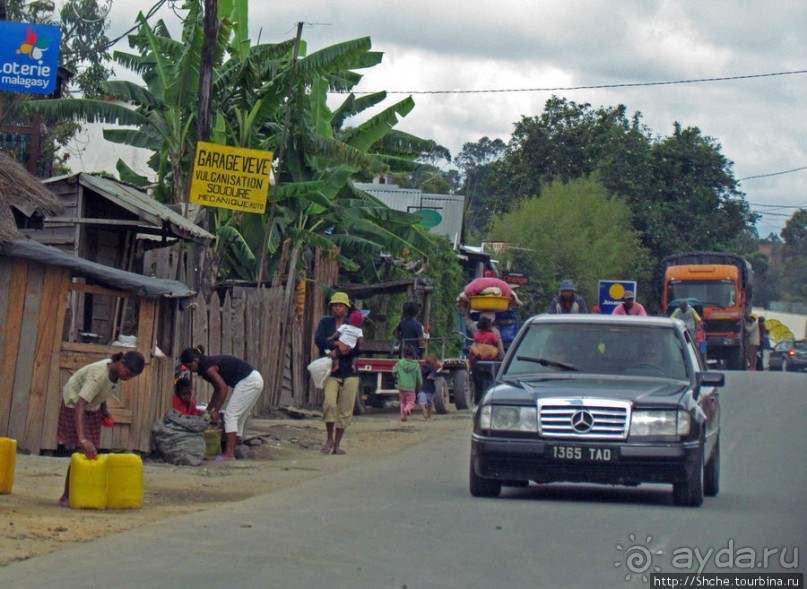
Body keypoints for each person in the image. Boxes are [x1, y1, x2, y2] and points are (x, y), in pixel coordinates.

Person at [57, 351, 145, 507]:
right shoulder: (99, 374)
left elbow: (102, 391)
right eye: (128, 373)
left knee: (91, 452)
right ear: (122, 363)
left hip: (92, 406)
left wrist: (104, 409)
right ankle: (66, 496)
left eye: (131, 377)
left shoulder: (115, 373)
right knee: (81, 451)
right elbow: (80, 405)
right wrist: (82, 439)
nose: (128, 377)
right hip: (74, 404)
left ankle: (83, 491)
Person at [180, 346, 264, 461]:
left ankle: (229, 455)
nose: (191, 370)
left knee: (230, 416)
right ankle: (237, 446)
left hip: (249, 381)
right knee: (239, 416)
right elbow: (217, 390)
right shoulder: (205, 366)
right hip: (255, 379)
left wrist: (215, 411)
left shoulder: (207, 367)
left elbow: (223, 389)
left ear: (195, 360)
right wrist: (208, 411)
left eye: (190, 367)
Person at [314, 291, 363, 455]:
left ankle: (337, 444)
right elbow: (319, 340)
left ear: (347, 308)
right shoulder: (325, 323)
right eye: (335, 305)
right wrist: (336, 344)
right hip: (331, 371)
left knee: (345, 409)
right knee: (329, 404)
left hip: (349, 371)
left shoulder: (354, 324)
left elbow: (358, 348)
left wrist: (340, 353)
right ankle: (329, 438)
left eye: (340, 305)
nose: (337, 308)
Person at [393, 345, 422, 422]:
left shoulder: (399, 363)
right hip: (411, 388)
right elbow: (419, 379)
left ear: (404, 353)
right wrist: (419, 386)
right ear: (413, 353)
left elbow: (394, 371)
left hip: (401, 386)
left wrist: (396, 377)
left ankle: (403, 417)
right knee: (411, 402)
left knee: (402, 402)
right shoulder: (416, 365)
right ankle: (407, 410)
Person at [418, 355, 443, 421]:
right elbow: (439, 369)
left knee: (422, 402)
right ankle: (429, 417)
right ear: (434, 362)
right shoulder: (433, 369)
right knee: (430, 404)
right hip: (430, 389)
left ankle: (424, 410)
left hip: (422, 388)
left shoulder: (422, 368)